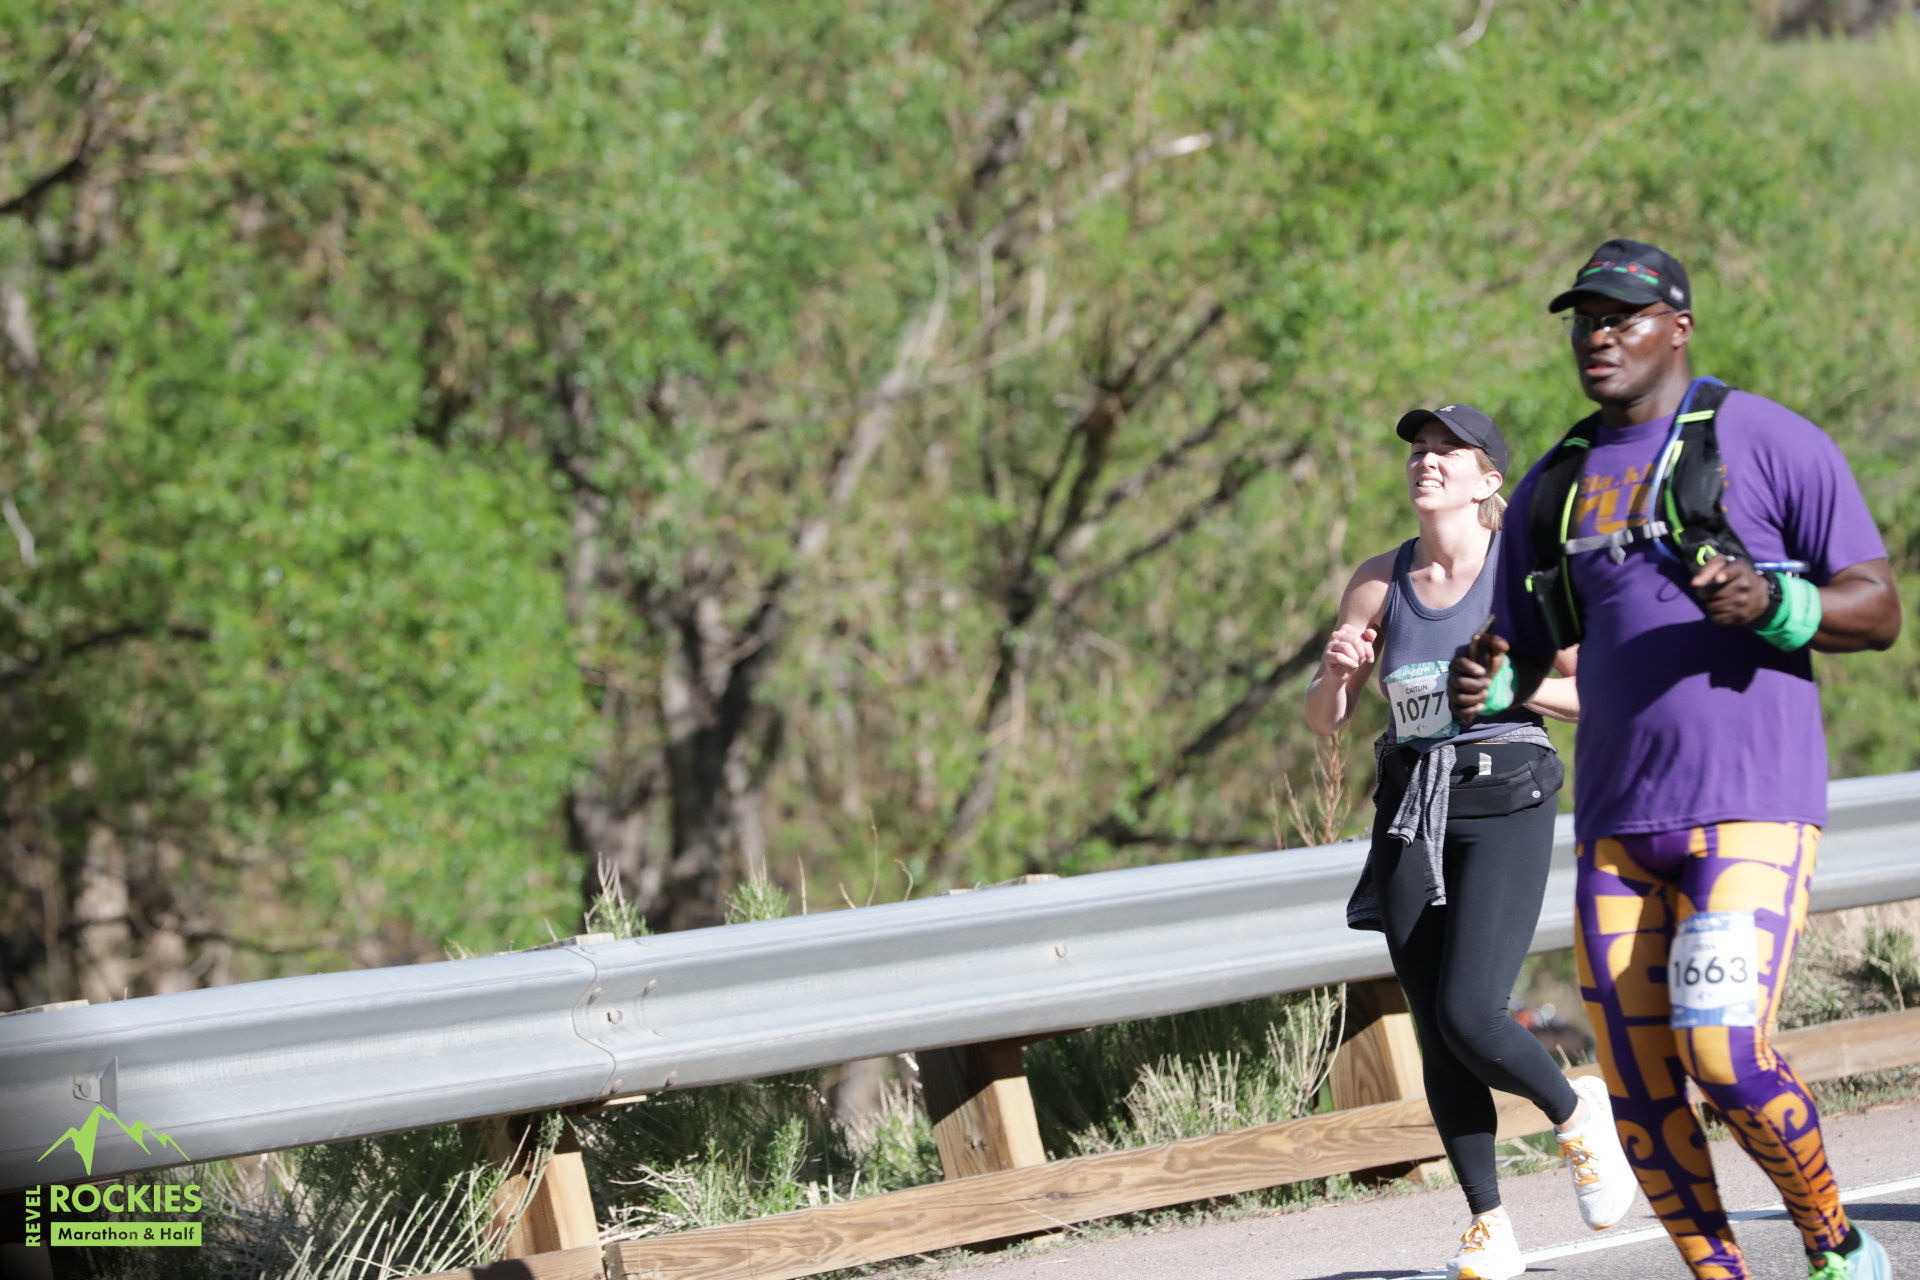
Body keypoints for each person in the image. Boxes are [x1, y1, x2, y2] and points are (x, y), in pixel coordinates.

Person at [1450, 239, 1902, 1280]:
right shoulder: (1552, 485)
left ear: (1680, 327)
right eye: (1585, 319)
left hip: (1752, 804)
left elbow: (1877, 608)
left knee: (1723, 1050)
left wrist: (1774, 602)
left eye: (1623, 317)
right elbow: (1529, 652)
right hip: (1618, 826)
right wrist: (1495, 681)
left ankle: (1837, 1246)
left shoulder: (1768, 440)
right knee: (1643, 1092)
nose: (1599, 335)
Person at [1307, 404, 1636, 1280]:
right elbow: (1325, 719)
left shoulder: (1523, 578)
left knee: (1470, 1012)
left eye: (1448, 451)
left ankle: (1577, 1114)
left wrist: (1513, 687)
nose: (1427, 461)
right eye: (1418, 449)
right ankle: (1491, 1224)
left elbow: (1598, 695)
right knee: (1437, 1030)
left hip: (1505, 790)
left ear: (1488, 479)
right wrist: (1336, 677)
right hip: (1411, 804)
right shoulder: (1379, 581)